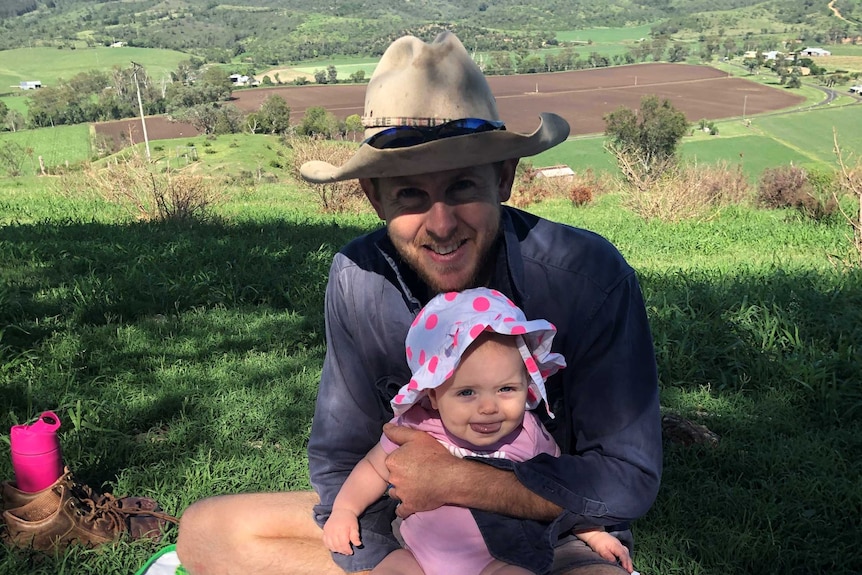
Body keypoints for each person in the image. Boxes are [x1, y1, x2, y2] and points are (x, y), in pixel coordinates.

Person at [176, 30, 662, 575]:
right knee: (205, 533)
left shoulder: (587, 276)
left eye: (461, 187)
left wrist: (458, 481)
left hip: (554, 531)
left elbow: (626, 477)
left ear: (503, 177)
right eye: (410, 194)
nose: (441, 224)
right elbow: (340, 457)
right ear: (373, 196)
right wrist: (396, 561)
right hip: (415, 528)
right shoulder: (358, 278)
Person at [323, 288, 634, 575]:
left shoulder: (529, 435)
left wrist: (593, 533)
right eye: (467, 393)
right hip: (416, 556)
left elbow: (560, 489)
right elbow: (373, 468)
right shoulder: (418, 427)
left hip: (501, 560)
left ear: (527, 386)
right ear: (432, 394)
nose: (489, 407)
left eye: (505, 389)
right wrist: (345, 509)